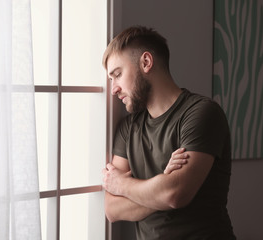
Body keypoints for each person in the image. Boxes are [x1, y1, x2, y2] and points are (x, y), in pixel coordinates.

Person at [101, 26, 236, 240]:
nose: (114, 89)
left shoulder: (202, 113)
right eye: (111, 80)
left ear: (146, 63)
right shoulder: (128, 127)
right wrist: (163, 182)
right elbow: (112, 209)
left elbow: (174, 194)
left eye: (117, 75)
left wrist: (121, 184)